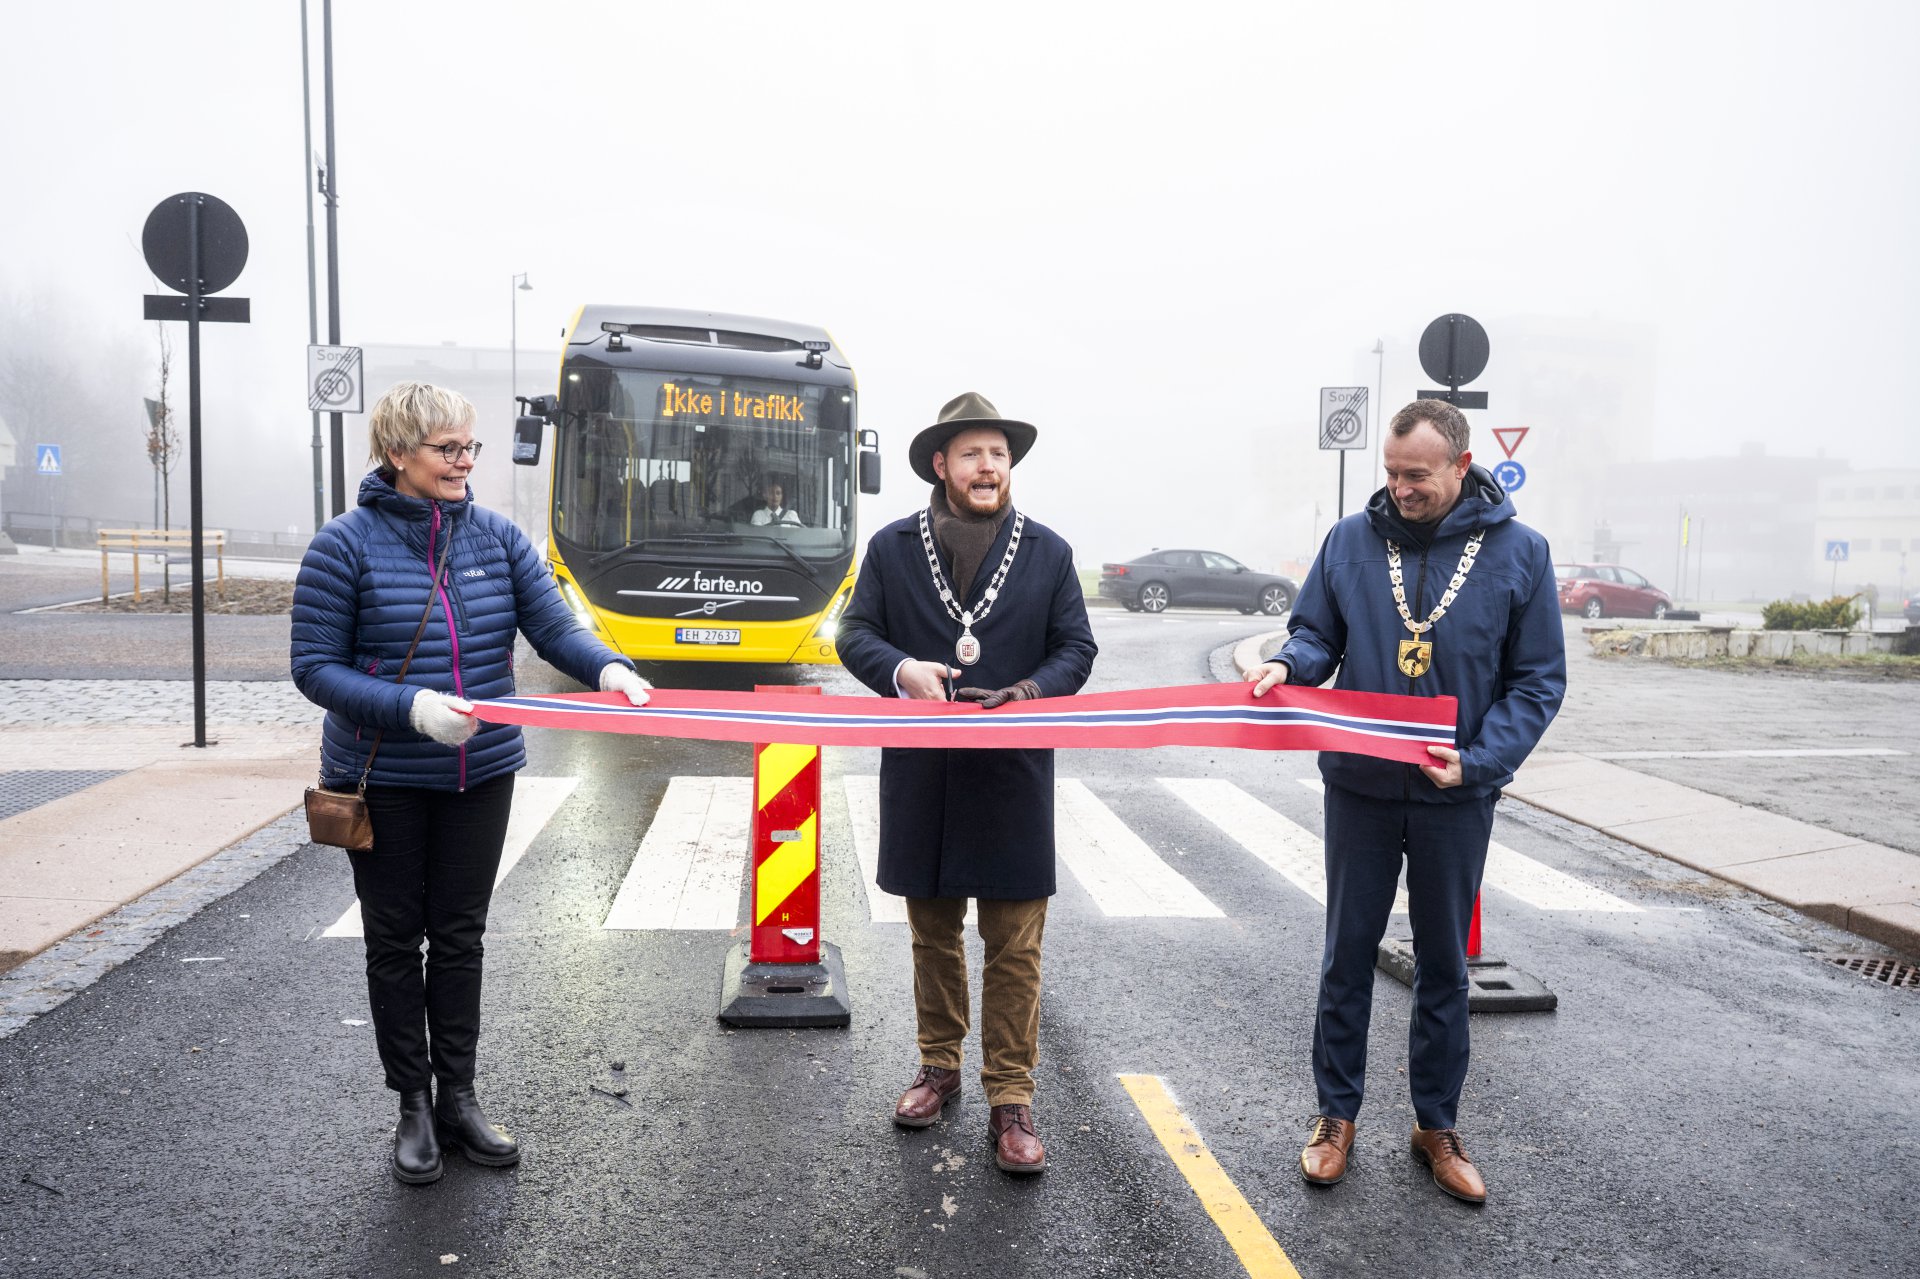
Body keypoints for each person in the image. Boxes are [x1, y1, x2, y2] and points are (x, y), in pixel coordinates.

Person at [291, 382, 653, 1186]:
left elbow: (553, 625)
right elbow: (314, 668)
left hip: (478, 772)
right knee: (395, 940)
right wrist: (412, 706)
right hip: (383, 775)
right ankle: (411, 1105)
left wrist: (610, 667)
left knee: (460, 937)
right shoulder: (342, 547)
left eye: (469, 447)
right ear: (397, 454)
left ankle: (459, 1097)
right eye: (446, 448)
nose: (464, 462)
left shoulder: (495, 538)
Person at [1245, 398, 1565, 1205]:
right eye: (1391, 473)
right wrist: (1292, 666)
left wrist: (1482, 761)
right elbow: (1317, 631)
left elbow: (1537, 682)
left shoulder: (1521, 553)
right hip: (1360, 784)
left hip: (1457, 793)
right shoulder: (1351, 541)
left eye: (1416, 475)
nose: (1400, 489)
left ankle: (1436, 1125)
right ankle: (1335, 1116)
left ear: (1461, 465)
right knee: (1345, 953)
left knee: (1444, 965)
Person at [836, 391, 1097, 1175]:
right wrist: (899, 669)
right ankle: (939, 1066)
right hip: (927, 775)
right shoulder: (889, 548)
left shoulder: (1048, 553)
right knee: (933, 934)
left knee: (1014, 945)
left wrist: (1024, 694)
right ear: (942, 465)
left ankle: (1010, 1097)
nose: (990, 467)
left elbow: (1075, 648)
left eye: (999, 455)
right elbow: (855, 632)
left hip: (1013, 774)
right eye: (974, 454)